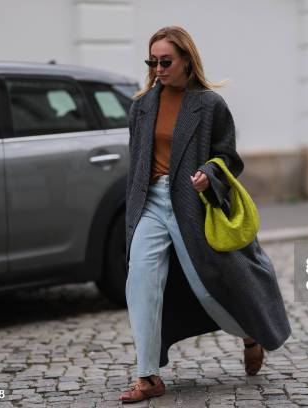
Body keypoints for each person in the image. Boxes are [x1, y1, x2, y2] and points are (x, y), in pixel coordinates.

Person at [120, 26, 291, 403]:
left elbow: (229, 157)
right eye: (153, 61)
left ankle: (249, 334)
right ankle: (148, 377)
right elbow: (137, 164)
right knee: (141, 282)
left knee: (207, 285)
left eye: (166, 61)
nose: (159, 68)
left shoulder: (209, 105)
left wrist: (208, 175)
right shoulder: (142, 106)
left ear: (185, 61)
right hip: (151, 202)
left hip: (193, 204)